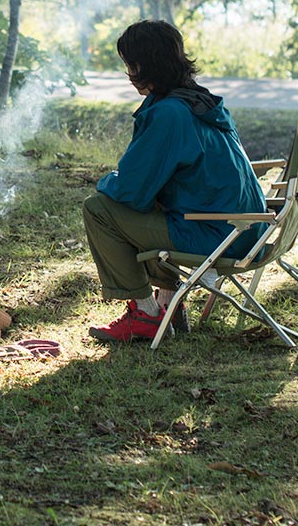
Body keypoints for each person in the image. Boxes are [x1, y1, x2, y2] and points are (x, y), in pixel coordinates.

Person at [83, 19, 268, 342]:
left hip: (218, 236)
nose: (128, 74)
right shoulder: (201, 102)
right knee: (154, 203)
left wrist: (106, 181)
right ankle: (169, 305)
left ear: (141, 65)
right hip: (248, 230)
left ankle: (146, 314)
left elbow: (130, 190)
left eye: (129, 64)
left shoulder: (170, 113)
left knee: (100, 208)